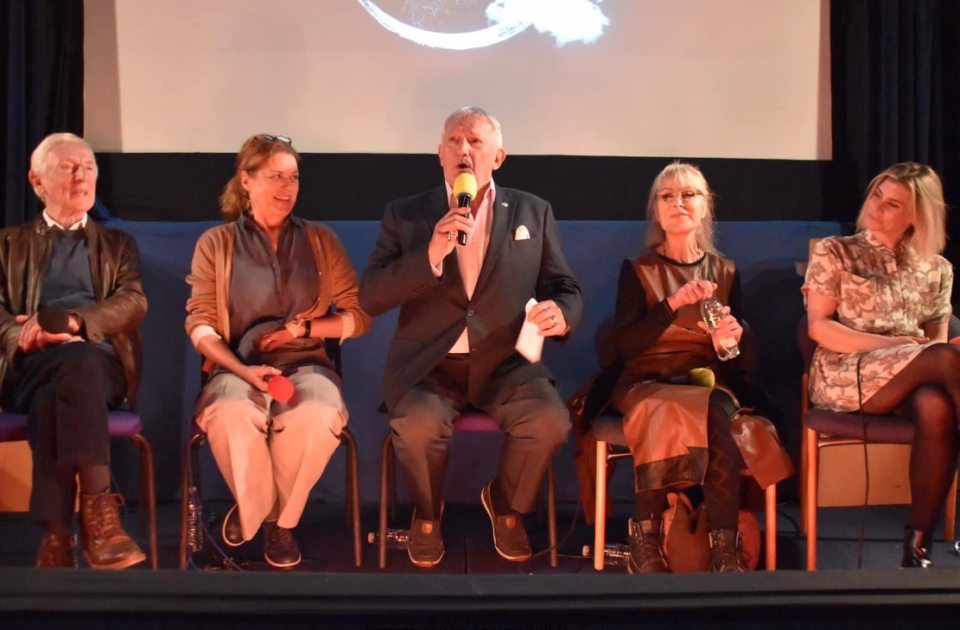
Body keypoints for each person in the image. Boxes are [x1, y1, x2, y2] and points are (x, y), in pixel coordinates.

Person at [360, 106, 582, 568]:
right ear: (440, 154)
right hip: (429, 367)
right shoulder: (406, 215)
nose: (464, 150)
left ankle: (505, 504)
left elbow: (564, 287)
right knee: (419, 426)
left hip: (507, 365)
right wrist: (431, 255)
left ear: (498, 157)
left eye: (475, 142)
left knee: (549, 423)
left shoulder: (532, 211)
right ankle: (426, 515)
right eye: (454, 141)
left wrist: (560, 314)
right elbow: (373, 296)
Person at [185, 134, 371, 568]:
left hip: (307, 365)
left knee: (318, 413)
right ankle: (267, 516)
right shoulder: (216, 244)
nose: (287, 188)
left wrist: (302, 329)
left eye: (293, 178)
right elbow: (200, 324)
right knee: (231, 411)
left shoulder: (321, 240)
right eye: (275, 177)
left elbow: (358, 317)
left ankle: (274, 522)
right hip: (236, 367)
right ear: (246, 181)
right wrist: (244, 372)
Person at [610, 162, 791, 574]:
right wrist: (671, 306)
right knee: (671, 408)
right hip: (645, 381)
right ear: (656, 210)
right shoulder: (638, 269)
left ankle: (723, 549)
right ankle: (648, 540)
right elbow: (624, 347)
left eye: (688, 194)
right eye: (667, 196)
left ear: (705, 206)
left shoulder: (726, 271)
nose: (678, 203)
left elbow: (737, 360)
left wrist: (732, 337)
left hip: (705, 383)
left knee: (714, 409)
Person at [0, 133, 148, 569]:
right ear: (36, 180)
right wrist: (21, 335)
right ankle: (100, 512)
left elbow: (133, 302)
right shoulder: (7, 245)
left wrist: (78, 323)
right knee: (57, 382)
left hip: (100, 364)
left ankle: (58, 537)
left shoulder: (118, 245)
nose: (82, 175)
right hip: (29, 365)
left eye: (88, 167)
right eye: (68, 167)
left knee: (71, 374)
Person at [803, 162, 958, 568]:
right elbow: (820, 330)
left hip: (914, 373)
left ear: (916, 216)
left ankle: (917, 545)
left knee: (935, 405)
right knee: (941, 358)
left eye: (893, 204)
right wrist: (898, 344)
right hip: (846, 374)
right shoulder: (834, 251)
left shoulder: (937, 269)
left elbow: (936, 345)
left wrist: (918, 350)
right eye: (877, 195)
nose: (878, 207)